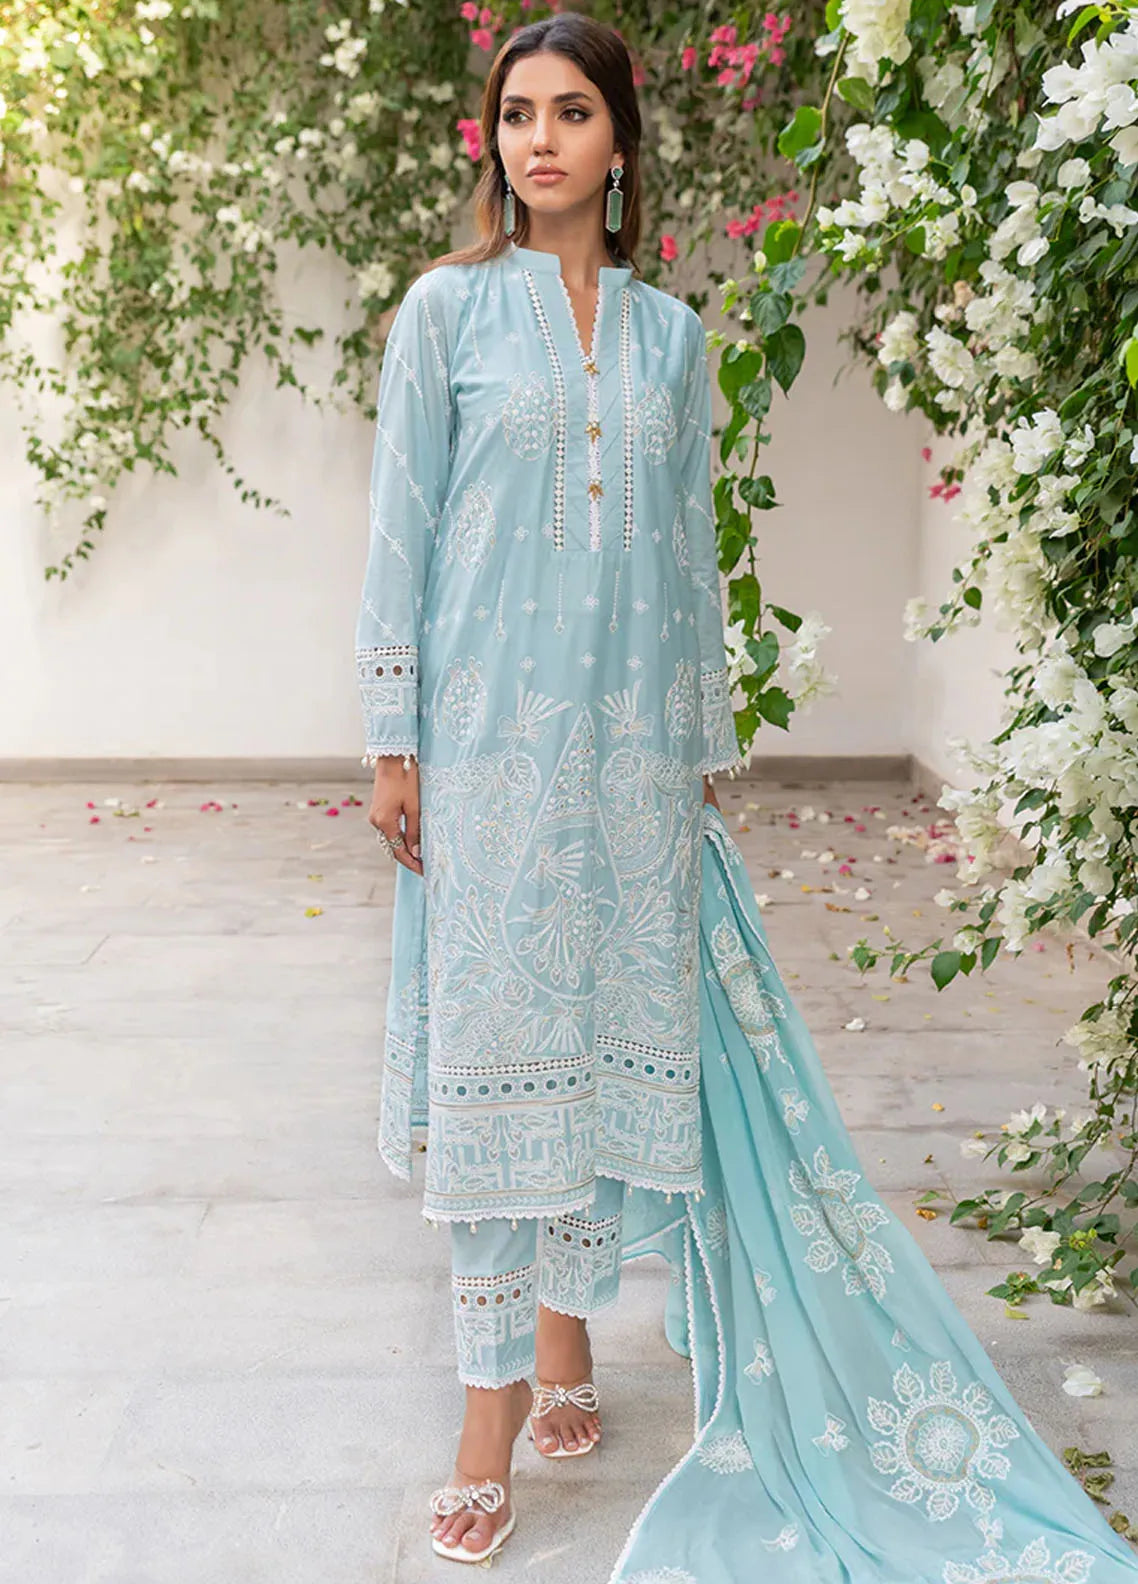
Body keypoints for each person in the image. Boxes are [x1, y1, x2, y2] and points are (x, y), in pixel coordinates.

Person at [355, 11, 743, 1566]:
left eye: (571, 112)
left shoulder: (672, 342)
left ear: (619, 142)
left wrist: (698, 754)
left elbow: (690, 556)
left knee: (591, 1035)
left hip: (630, 756)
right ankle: (485, 1413)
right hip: (487, 751)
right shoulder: (442, 314)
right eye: (517, 112)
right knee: (495, 1062)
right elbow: (399, 527)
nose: (539, 139)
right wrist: (393, 740)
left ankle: (570, 1336)